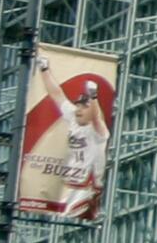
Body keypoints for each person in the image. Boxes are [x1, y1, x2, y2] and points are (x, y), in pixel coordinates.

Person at [35, 56, 113, 220]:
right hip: (68, 185)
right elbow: (57, 94)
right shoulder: (73, 117)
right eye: (78, 106)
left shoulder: (98, 131)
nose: (79, 110)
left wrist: (94, 97)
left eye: (84, 108)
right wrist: (45, 70)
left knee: (75, 218)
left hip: (87, 190)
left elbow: (97, 117)